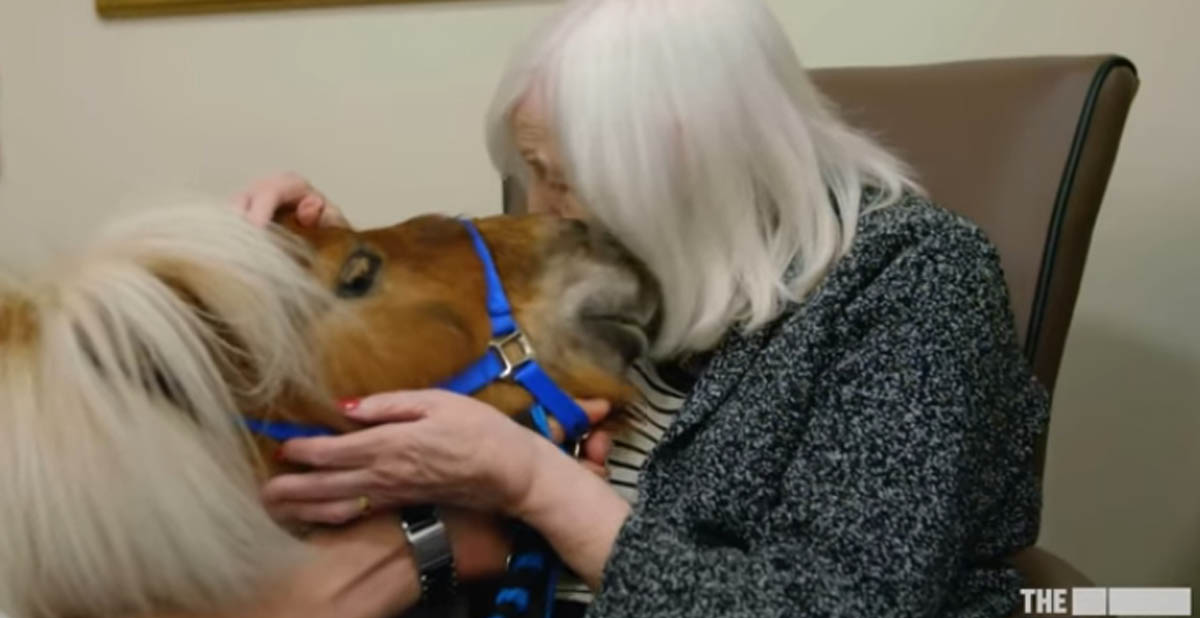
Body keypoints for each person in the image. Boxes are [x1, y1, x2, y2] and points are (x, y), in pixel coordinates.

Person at [233, 0, 1049, 616]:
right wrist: (344, 270)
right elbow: (472, 367)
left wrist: (533, 485)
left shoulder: (914, 276)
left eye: (561, 177)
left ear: (692, 171)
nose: (541, 212)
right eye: (532, 172)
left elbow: (837, 606)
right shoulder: (633, 271)